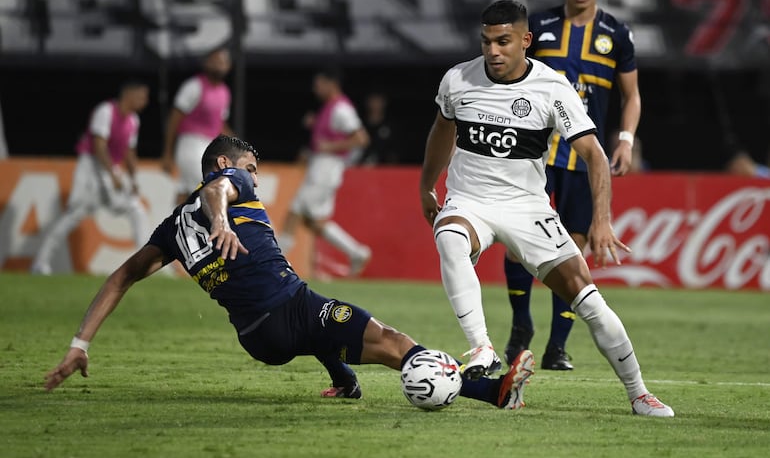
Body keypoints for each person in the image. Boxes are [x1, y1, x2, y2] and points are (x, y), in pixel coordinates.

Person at [43, 134, 536, 412]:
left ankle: (344, 380)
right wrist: (219, 217)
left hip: (259, 340)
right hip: (291, 310)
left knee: (321, 317)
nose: (254, 176)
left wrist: (79, 345)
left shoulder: (170, 228)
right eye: (251, 166)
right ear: (226, 164)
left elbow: (120, 278)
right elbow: (217, 192)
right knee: (393, 341)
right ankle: (488, 390)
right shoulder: (228, 183)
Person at [419, 0, 674, 417]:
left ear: (526, 41)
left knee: (589, 302)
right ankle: (482, 349)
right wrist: (427, 186)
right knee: (448, 237)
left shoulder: (553, 88)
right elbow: (441, 131)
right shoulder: (457, 80)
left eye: (503, 42)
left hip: (527, 207)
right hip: (469, 201)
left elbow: (593, 155)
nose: (493, 51)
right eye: (486, 42)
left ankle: (639, 393)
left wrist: (602, 222)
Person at [501, 0, 643, 371]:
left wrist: (625, 139)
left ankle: (557, 347)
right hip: (536, 156)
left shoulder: (616, 34)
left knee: (573, 252)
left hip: (584, 159)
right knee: (516, 247)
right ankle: (521, 322)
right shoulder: (538, 26)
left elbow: (631, 96)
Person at [31, 81, 150, 275]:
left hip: (112, 168)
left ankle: (145, 264)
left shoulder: (133, 120)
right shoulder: (105, 111)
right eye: (142, 96)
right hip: (91, 167)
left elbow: (129, 151)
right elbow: (99, 146)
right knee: (73, 215)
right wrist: (112, 174)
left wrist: (133, 179)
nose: (145, 101)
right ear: (129, 94)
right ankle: (40, 263)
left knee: (137, 209)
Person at [278, 68, 372, 277]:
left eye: (319, 84)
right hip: (322, 168)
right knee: (313, 222)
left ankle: (274, 265)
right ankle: (356, 252)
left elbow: (361, 138)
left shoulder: (341, 110)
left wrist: (329, 146)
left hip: (326, 168)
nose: (316, 88)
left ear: (332, 84)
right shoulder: (328, 109)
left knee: (294, 212)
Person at [161, 46, 234, 206]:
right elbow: (174, 119)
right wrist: (167, 153)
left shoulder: (224, 92)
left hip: (209, 145)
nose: (218, 65)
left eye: (222, 62)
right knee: (211, 186)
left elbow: (220, 124)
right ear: (206, 64)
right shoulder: (193, 86)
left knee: (186, 191)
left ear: (228, 66)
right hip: (190, 144)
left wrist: (238, 146)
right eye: (214, 61)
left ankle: (173, 229)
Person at [358, 91, 400, 165]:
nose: (376, 104)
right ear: (367, 102)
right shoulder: (359, 125)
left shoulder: (391, 126)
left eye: (379, 100)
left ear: (384, 102)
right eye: (373, 100)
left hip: (384, 169)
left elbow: (394, 152)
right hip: (361, 168)